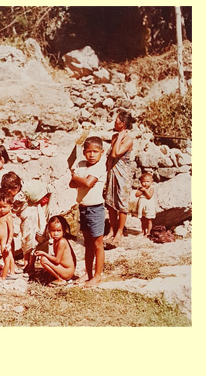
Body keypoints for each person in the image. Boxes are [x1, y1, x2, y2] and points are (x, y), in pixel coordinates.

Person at [70, 136, 107, 287]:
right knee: (88, 243)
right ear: (84, 152)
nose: (92, 155)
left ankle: (97, 276)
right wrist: (78, 179)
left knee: (98, 243)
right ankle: (88, 273)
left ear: (101, 152)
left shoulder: (100, 167)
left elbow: (87, 182)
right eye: (89, 151)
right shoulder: (81, 164)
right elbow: (71, 184)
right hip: (83, 208)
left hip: (96, 208)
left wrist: (76, 176)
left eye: (95, 151)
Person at [104, 109, 134, 246]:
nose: (114, 122)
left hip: (123, 175)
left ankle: (120, 231)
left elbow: (115, 153)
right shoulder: (114, 137)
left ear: (123, 123)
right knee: (111, 202)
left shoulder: (128, 140)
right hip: (113, 172)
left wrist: (121, 136)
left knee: (122, 203)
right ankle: (112, 229)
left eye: (116, 120)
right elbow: (110, 157)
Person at [34, 216, 77, 286]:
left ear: (64, 231)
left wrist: (43, 253)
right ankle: (56, 276)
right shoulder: (56, 241)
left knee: (44, 259)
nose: (55, 234)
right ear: (49, 230)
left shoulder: (62, 242)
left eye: (59, 231)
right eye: (53, 231)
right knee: (47, 260)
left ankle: (60, 279)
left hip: (67, 272)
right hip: (65, 269)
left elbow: (57, 261)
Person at [135, 172, 156, 237]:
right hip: (142, 206)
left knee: (149, 220)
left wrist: (145, 191)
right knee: (143, 220)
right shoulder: (140, 188)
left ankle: (148, 232)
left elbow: (149, 196)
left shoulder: (151, 188)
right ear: (141, 182)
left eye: (148, 181)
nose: (145, 183)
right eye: (143, 181)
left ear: (151, 182)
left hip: (148, 206)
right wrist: (141, 191)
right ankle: (143, 231)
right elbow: (136, 195)